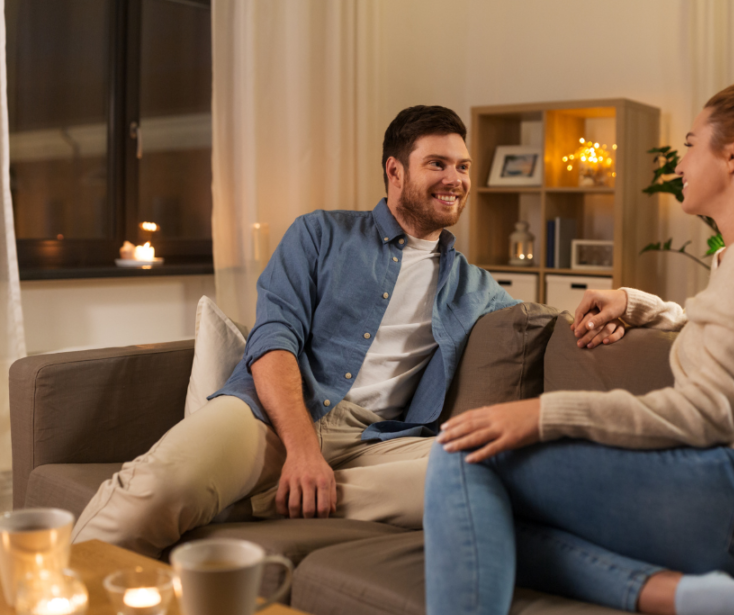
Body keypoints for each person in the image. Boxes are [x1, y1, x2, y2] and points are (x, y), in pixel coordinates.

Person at [424, 80, 734, 615]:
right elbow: (731, 333)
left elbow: (710, 411)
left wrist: (543, 414)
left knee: (459, 452)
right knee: (483, 522)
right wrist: (637, 304)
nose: (680, 162)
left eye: (691, 143)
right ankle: (694, 598)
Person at [72, 105, 517, 558]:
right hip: (270, 416)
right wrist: (302, 451)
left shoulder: (473, 285)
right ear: (395, 171)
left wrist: (593, 307)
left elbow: (544, 321)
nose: (455, 180)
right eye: (437, 164)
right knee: (158, 488)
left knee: (475, 479)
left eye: (462, 166)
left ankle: (260, 497)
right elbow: (273, 340)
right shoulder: (320, 234)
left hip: (378, 443)